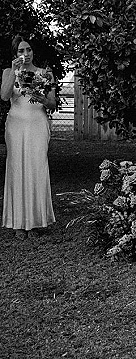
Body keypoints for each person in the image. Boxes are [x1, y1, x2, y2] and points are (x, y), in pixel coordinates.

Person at [1, 35, 56, 239]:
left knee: (37, 168)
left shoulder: (44, 73)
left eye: (29, 50)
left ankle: (34, 222)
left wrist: (43, 98)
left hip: (38, 124)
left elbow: (52, 103)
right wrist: (14, 72)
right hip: (16, 125)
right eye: (21, 51)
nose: (26, 54)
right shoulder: (9, 72)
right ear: (15, 55)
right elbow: (5, 96)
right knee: (16, 168)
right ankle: (17, 223)